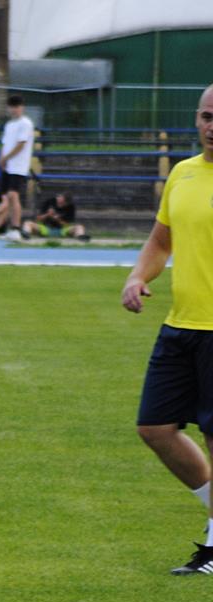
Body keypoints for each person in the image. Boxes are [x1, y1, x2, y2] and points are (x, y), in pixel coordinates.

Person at [121, 83, 213, 576]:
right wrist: (138, 276)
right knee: (154, 428)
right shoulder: (182, 174)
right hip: (181, 326)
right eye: (206, 116)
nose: (212, 126)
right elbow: (161, 242)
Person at [0, 95, 35, 236]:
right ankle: (10, 228)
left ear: (22, 108)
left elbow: (21, 145)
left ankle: (16, 228)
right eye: (12, 107)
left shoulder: (26, 123)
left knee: (13, 195)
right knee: (7, 197)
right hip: (8, 166)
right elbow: (5, 144)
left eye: (17, 107)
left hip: (19, 166)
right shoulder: (9, 125)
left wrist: (6, 158)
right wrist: (1, 159)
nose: (14, 110)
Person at [22, 191, 86, 240]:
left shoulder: (71, 207)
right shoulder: (49, 202)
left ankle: (80, 238)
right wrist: (47, 215)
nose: (61, 204)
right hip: (45, 228)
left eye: (63, 204)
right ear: (60, 196)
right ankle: (26, 235)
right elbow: (38, 219)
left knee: (79, 227)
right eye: (60, 201)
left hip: (62, 230)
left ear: (67, 204)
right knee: (28, 223)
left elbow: (67, 224)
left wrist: (57, 219)